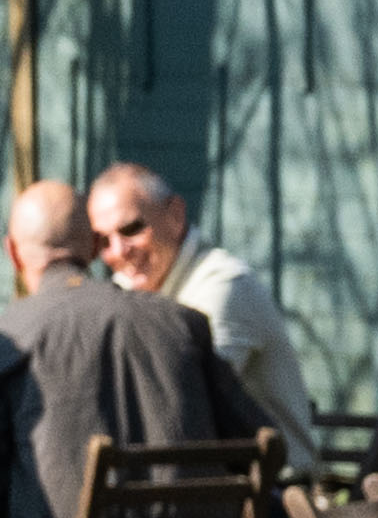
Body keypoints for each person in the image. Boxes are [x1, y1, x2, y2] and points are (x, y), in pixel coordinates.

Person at [0, 177, 269, 518]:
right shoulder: (181, 322)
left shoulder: (6, 339)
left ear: (13, 253)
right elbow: (257, 442)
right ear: (94, 246)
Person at [86, 157, 316, 441]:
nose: (119, 251)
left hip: (274, 468)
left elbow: (186, 404)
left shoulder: (226, 286)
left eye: (132, 229)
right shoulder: (126, 288)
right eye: (103, 241)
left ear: (175, 215)